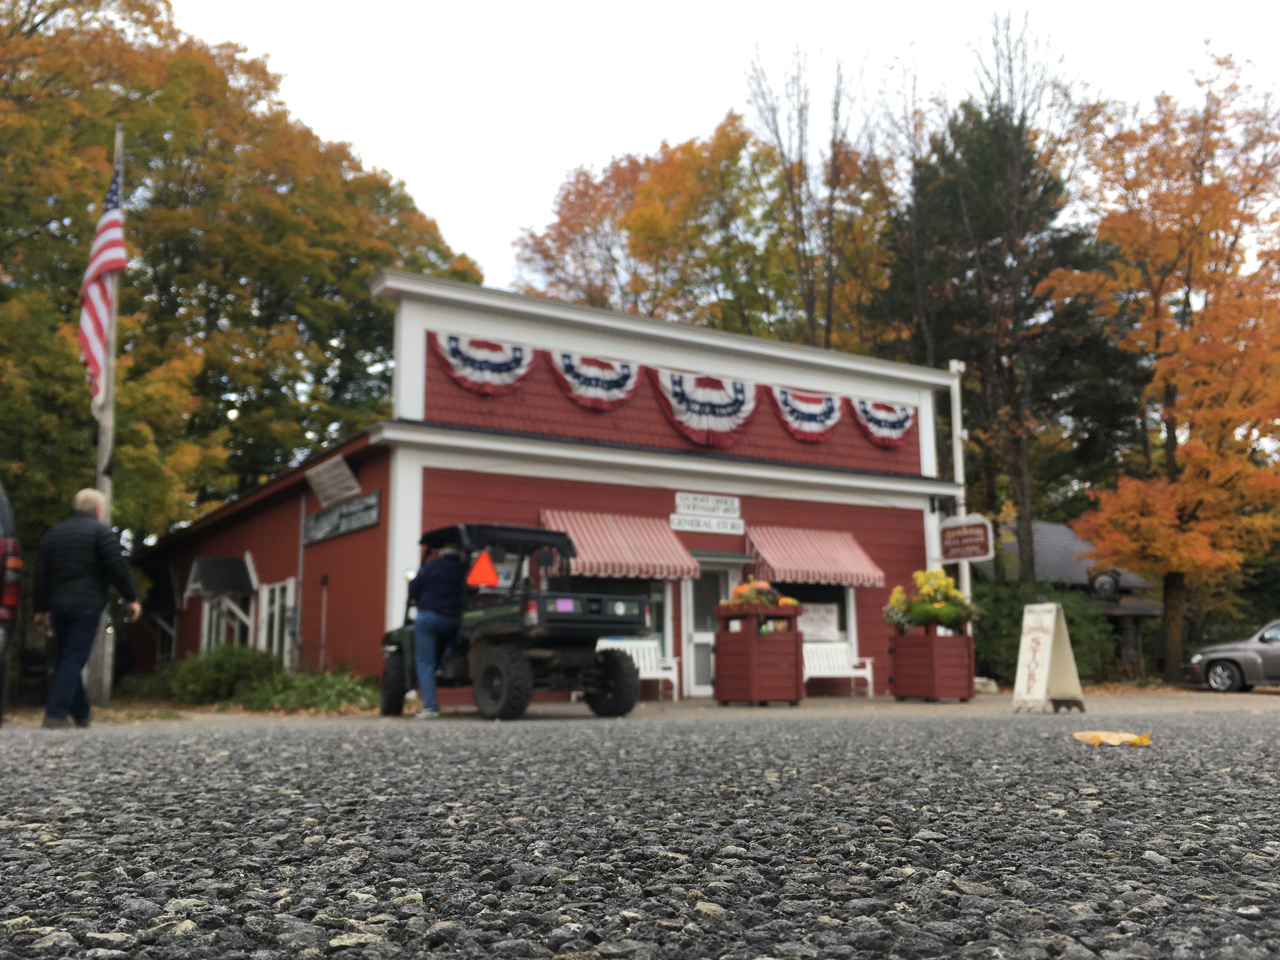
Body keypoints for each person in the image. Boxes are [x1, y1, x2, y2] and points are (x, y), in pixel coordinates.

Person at [32, 488, 141, 729]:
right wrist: (131, 598)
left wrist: (40, 608)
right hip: (87, 604)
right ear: (99, 510)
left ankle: (82, 714)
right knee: (74, 657)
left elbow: (41, 574)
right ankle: (55, 713)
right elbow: (117, 566)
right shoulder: (101, 532)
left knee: (68, 657)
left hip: (58, 605)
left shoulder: (53, 534)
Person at [407, 541, 465, 719]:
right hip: (455, 619)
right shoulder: (464, 570)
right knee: (452, 642)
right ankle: (442, 665)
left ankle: (430, 707)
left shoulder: (430, 567)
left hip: (429, 616)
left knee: (425, 661)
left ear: (442, 552)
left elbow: (413, 590)